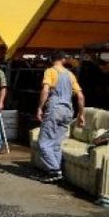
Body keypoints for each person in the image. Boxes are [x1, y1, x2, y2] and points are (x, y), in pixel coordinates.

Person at [36, 51, 85, 183]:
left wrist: (40, 108)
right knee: (56, 144)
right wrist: (81, 114)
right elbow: (80, 96)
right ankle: (56, 172)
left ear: (51, 59)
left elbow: (45, 90)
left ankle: (55, 170)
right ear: (63, 60)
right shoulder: (70, 75)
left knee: (44, 143)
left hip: (54, 109)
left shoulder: (50, 71)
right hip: (68, 111)